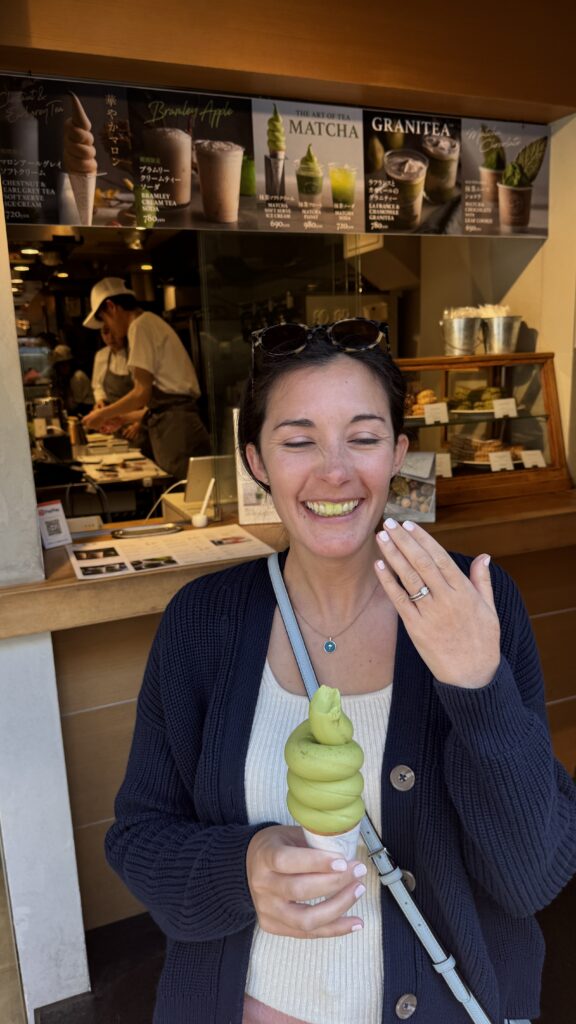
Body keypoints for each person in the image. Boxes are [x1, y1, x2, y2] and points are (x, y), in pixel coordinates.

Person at [105, 318, 576, 1024]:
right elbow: (139, 837)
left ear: (398, 453)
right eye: (298, 441)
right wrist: (244, 868)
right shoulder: (203, 622)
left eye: (363, 437)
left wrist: (475, 685)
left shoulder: (474, 601)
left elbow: (532, 876)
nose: (334, 471)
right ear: (257, 460)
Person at [82, 277, 210, 477]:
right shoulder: (148, 323)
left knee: (188, 496)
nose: (108, 328)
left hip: (178, 430)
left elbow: (141, 393)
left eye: (104, 319)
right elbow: (156, 404)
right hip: (175, 426)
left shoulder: (140, 326)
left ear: (111, 306)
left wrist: (103, 414)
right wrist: (122, 418)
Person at [49, 344, 94, 415]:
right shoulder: (70, 377)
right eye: (60, 366)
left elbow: (76, 404)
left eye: (65, 365)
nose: (62, 369)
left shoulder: (77, 377)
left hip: (86, 409)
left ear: (71, 363)